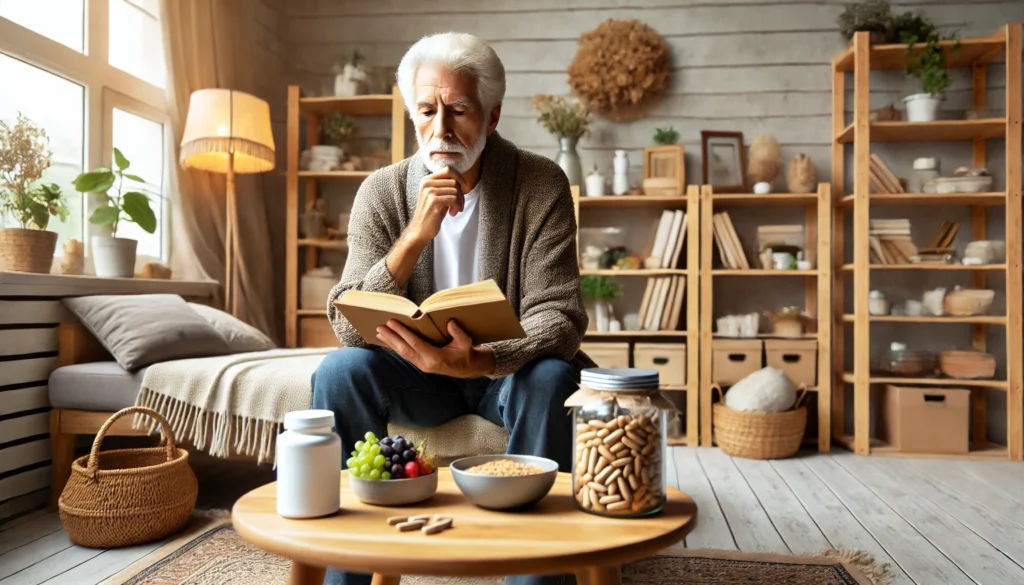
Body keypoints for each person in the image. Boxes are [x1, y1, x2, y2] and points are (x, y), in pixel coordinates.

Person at [312, 32, 593, 585]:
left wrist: (485, 359)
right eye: (426, 110)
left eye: (459, 110)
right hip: (418, 374)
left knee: (554, 376)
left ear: (490, 117)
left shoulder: (540, 184)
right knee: (340, 370)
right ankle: (345, 569)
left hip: (502, 373)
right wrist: (414, 237)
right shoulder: (381, 191)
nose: (440, 129)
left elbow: (558, 316)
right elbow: (346, 320)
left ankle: (535, 571)